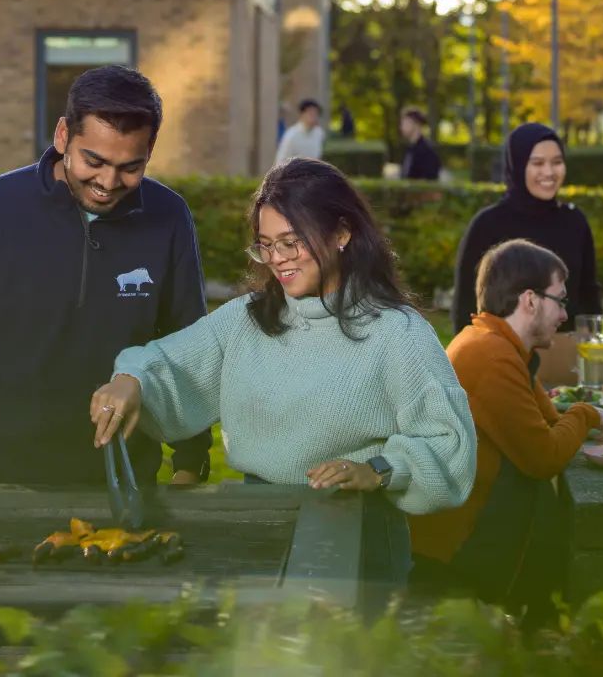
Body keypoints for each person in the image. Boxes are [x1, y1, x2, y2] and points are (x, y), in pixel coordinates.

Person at [88, 157, 477, 605]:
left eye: (291, 242)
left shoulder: (397, 333)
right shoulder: (246, 320)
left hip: (357, 533)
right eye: (266, 245)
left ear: (342, 233)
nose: (277, 259)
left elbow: (449, 443)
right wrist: (130, 377)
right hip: (255, 525)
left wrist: (379, 470)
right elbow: (168, 363)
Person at [0, 65, 213, 486]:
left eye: (131, 167)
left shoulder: (168, 216)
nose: (109, 182)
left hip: (123, 480)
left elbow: (187, 346)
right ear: (62, 136)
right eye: (94, 161)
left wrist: (191, 461)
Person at [411, 239, 603, 622]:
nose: (564, 316)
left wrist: (577, 417)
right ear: (531, 300)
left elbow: (551, 420)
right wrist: (588, 414)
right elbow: (544, 457)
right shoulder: (491, 357)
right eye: (560, 300)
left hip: (466, 532)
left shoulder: (496, 344)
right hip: (454, 552)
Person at [452, 122, 602, 337]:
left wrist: (594, 340)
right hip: (502, 357)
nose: (549, 172)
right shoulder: (488, 225)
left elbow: (589, 294)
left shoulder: (574, 221)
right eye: (538, 163)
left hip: (565, 357)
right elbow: (466, 305)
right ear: (519, 165)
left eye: (557, 162)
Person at [274, 98, 325, 163]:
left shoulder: (319, 133)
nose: (314, 117)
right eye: (310, 113)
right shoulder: (291, 134)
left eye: (316, 113)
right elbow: (281, 161)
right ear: (302, 114)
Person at [399, 107, 441, 181]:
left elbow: (430, 181)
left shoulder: (427, 151)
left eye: (405, 123)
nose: (401, 127)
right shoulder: (410, 150)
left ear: (416, 124)